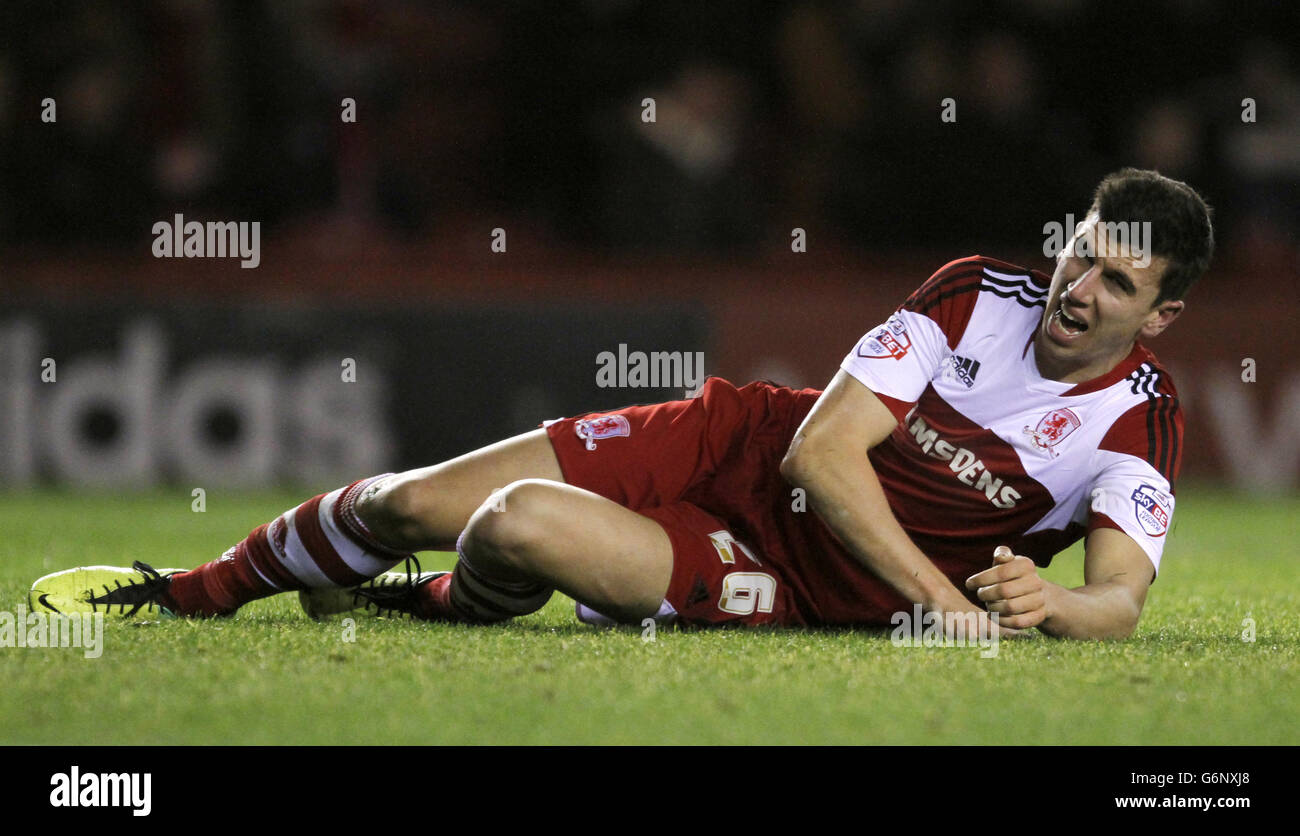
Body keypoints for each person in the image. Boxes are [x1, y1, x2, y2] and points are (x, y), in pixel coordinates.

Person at [31, 168, 1213, 641]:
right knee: (410, 497)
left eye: (1115, 278)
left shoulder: (1139, 425)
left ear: (1155, 317)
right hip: (740, 440)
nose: (1076, 284)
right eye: (1080, 252)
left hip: (790, 584)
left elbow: (1121, 598)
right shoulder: (973, 295)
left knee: (515, 527)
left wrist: (1055, 601)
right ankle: (190, 591)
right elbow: (820, 450)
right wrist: (935, 602)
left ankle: (444, 606)